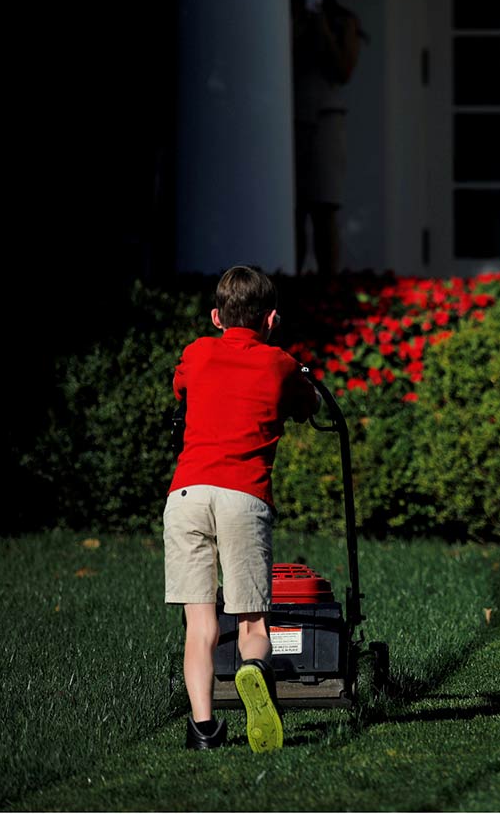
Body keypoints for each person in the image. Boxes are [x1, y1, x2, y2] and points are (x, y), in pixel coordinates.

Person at [164, 266, 319, 750]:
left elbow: (181, 389)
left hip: (186, 495)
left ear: (216, 316)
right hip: (242, 495)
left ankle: (204, 729)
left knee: (201, 623)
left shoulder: (197, 351)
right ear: (271, 318)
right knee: (252, 621)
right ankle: (253, 668)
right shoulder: (280, 363)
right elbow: (308, 404)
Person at [290, 0, 365, 275]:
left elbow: (344, 71)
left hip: (325, 118)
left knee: (324, 207)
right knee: (293, 209)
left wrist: (322, 29)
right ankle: (286, 279)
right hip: (290, 120)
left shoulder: (343, 21)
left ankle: (328, 286)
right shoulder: (283, 18)